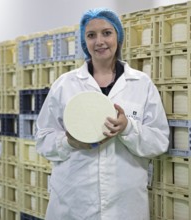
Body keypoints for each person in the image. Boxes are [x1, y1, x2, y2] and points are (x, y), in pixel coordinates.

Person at [35, 7, 170, 220]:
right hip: (73, 202)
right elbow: (42, 140)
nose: (99, 41)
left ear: (118, 36)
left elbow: (159, 141)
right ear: (84, 41)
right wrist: (68, 142)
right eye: (91, 35)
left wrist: (127, 128)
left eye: (107, 33)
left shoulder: (141, 84)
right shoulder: (65, 85)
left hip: (125, 204)